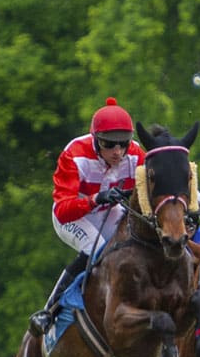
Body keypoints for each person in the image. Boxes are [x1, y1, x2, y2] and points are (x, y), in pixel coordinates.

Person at [27, 97, 146, 336]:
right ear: (95, 140)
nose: (118, 152)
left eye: (123, 144)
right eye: (109, 145)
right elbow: (63, 209)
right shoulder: (74, 154)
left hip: (109, 210)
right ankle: (50, 309)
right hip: (72, 217)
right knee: (99, 248)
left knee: (133, 244)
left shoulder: (135, 155)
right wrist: (95, 199)